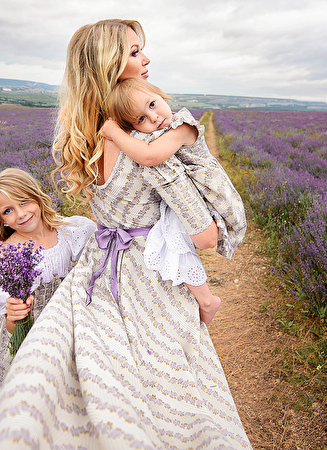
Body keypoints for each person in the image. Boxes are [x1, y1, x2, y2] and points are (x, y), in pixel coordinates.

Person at [0, 19, 252, 449]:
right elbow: (205, 236)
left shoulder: (85, 136)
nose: (146, 58)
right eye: (134, 51)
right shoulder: (145, 143)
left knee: (98, 376)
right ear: (106, 64)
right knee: (176, 385)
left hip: (99, 268)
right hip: (149, 275)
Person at [101, 77, 247, 324]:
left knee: (176, 236)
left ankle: (206, 300)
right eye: (141, 119)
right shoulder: (160, 132)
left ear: (161, 94)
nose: (154, 117)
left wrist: (114, 132)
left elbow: (148, 156)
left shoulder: (182, 126)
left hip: (209, 195)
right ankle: (202, 298)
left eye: (152, 104)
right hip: (189, 193)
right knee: (170, 237)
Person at [0, 168, 96, 415]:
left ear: (37, 197)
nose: (21, 214)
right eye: (7, 211)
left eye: (24, 202)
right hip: (27, 332)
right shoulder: (8, 255)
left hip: (63, 323)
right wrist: (15, 315)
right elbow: (12, 326)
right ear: (1, 220)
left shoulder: (68, 230)